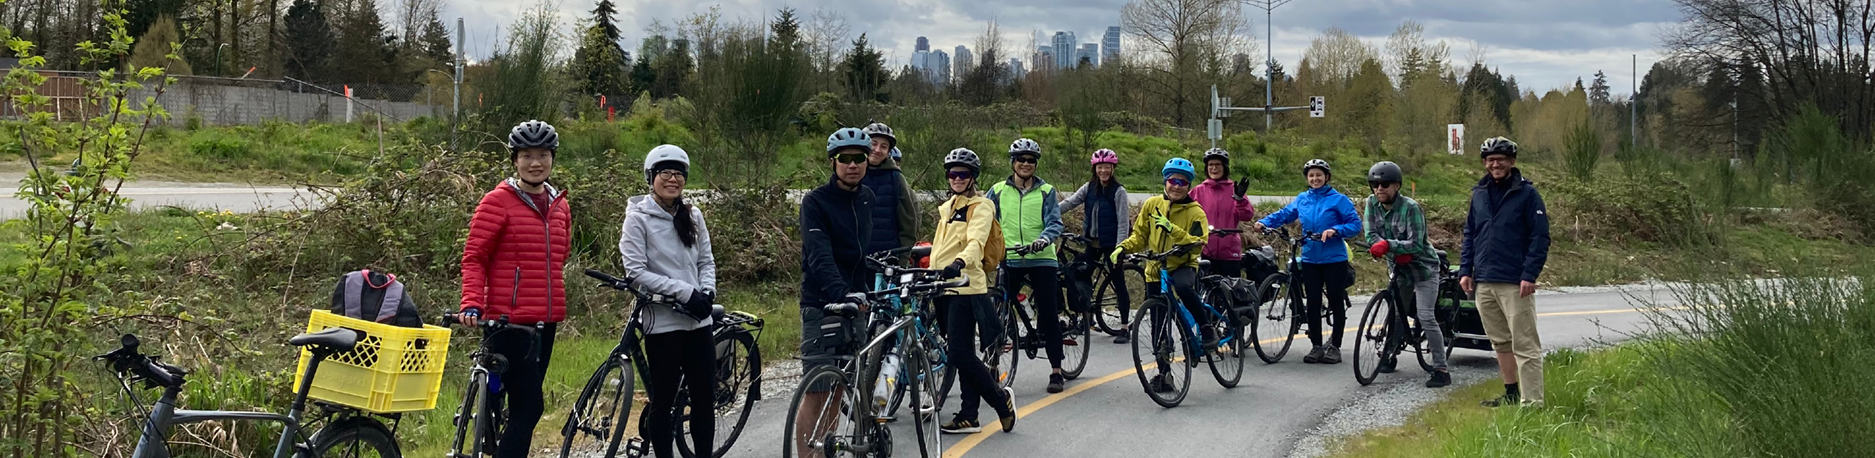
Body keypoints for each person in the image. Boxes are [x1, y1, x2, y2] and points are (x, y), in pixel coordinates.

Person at [457, 119, 571, 458]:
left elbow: (559, 258)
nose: (535, 163)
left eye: (542, 155)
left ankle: (493, 438)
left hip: (546, 322)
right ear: (514, 160)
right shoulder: (498, 201)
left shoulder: (559, 204)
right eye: (526, 155)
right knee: (529, 408)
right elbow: (474, 257)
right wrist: (472, 302)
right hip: (508, 322)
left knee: (516, 405)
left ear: (552, 158)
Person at [620, 145, 719, 458]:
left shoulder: (693, 215)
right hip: (662, 322)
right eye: (665, 172)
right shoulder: (637, 219)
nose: (672, 179)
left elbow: (706, 261)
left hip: (698, 321)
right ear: (652, 177)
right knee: (663, 400)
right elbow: (635, 273)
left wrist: (707, 291)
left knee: (704, 399)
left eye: (678, 173)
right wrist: (684, 292)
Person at [792, 127, 875, 457]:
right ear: (833, 162)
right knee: (817, 390)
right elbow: (819, 254)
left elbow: (863, 252)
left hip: (855, 303)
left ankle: (823, 453)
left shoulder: (867, 198)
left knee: (839, 389)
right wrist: (842, 293)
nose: (852, 164)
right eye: (845, 158)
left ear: (867, 161)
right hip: (822, 304)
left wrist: (868, 288)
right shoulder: (815, 202)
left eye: (859, 158)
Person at [931, 147, 1019, 434]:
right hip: (943, 286)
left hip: (966, 287)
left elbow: (976, 241)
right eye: (953, 173)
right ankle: (969, 415)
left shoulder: (981, 206)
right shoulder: (948, 208)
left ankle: (999, 400)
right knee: (961, 351)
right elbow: (941, 248)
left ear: (972, 178)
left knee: (959, 352)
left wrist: (960, 262)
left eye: (963, 174)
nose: (957, 178)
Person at [1459, 137, 1551, 407]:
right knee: (1500, 342)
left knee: (1525, 344)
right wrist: (1466, 269)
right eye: (1490, 159)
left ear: (1512, 162)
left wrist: (1529, 274)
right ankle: (1511, 394)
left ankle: (1533, 402)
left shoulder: (1528, 194)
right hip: (1484, 280)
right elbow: (1470, 234)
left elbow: (1540, 237)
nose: (1495, 164)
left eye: (1500, 159)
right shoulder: (1479, 194)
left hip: (1515, 281)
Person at [1110, 158, 1210, 392]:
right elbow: (1140, 237)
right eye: (1172, 180)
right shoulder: (1151, 205)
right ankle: (1164, 374)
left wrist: (1171, 228)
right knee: (1158, 325)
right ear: (1165, 181)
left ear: (1189, 186)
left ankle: (1206, 326)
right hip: (1155, 269)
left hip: (1182, 264)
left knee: (1185, 289)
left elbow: (1198, 243)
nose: (1177, 186)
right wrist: (1123, 248)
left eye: (1182, 182)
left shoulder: (1196, 212)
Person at [1254, 159, 1363, 365]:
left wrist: (1336, 231)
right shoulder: (1303, 198)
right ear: (1307, 178)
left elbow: (1355, 224)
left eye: (1318, 175)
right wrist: (1264, 222)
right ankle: (1316, 346)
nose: (1315, 178)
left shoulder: (1338, 200)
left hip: (1334, 259)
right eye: (1311, 175)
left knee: (1335, 300)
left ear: (1327, 177)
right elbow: (1285, 214)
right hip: (1310, 257)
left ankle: (1335, 347)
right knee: (1312, 302)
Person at [986, 138, 1071, 394]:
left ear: (1035, 164)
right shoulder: (998, 190)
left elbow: (1055, 223)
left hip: (1040, 257)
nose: (1025, 164)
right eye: (1021, 159)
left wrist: (1043, 239)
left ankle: (1056, 371)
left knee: (1047, 311)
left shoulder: (1046, 191)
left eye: (1030, 160)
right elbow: (986, 220)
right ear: (1013, 162)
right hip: (1009, 257)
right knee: (997, 310)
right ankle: (992, 364)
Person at [1362, 161, 1451, 388]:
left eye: (1385, 184)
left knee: (1426, 315)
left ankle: (1441, 369)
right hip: (1398, 268)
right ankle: (1389, 354)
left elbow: (1416, 243)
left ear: (1397, 186)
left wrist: (1389, 245)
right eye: (1374, 184)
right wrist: (1378, 245)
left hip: (1423, 268)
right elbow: (1370, 232)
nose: (1379, 189)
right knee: (1395, 313)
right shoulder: (1371, 203)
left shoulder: (1411, 208)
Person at [1060, 148, 1134, 344]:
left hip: (1112, 244)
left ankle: (1125, 327)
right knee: (1083, 279)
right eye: (1100, 167)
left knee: (1118, 283)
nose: (1104, 171)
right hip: (1092, 242)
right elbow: (1071, 202)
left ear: (1113, 168)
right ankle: (1086, 318)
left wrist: (1119, 248)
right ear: (1095, 168)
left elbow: (1123, 222)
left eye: (1107, 167)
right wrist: (1048, 212)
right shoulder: (1089, 188)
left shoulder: (1119, 191)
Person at [1191, 147, 1258, 277]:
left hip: (1229, 252)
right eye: (1210, 165)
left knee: (1230, 292)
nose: (1214, 168)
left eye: (1218, 164)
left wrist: (1240, 201)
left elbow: (1247, 216)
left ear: (1224, 167)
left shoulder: (1234, 189)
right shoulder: (1198, 191)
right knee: (1204, 293)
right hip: (1205, 249)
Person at [862, 122, 920, 256]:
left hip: (886, 259)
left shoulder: (896, 178)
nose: (877, 150)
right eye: (873, 143)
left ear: (888, 152)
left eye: (883, 146)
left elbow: (908, 224)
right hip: (852, 258)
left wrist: (903, 258)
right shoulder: (850, 173)